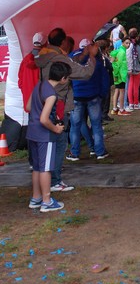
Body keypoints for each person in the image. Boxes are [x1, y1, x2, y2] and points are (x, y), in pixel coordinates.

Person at [35, 27, 97, 192]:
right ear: (63, 42)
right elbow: (85, 73)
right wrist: (92, 56)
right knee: (60, 142)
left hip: (42, 103)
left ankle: (48, 179)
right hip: (58, 105)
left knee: (48, 145)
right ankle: (54, 181)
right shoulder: (61, 60)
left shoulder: (42, 56)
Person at [27, 61, 72, 212]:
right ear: (63, 78)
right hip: (44, 135)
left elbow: (27, 107)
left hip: (31, 132)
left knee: (37, 168)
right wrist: (56, 129)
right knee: (45, 168)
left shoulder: (38, 86)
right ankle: (46, 201)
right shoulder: (52, 94)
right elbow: (44, 119)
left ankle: (36, 198)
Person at [66, 39, 110, 160]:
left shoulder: (72, 59)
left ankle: (75, 153)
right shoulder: (97, 63)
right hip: (94, 96)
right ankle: (100, 151)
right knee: (96, 125)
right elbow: (105, 81)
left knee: (75, 125)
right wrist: (101, 94)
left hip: (77, 97)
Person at [110, 36, 131, 115]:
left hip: (118, 74)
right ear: (122, 43)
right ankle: (121, 109)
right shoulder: (122, 52)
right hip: (120, 75)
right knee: (122, 92)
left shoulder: (119, 51)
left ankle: (115, 108)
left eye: (129, 43)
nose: (128, 45)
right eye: (126, 43)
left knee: (117, 90)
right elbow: (119, 65)